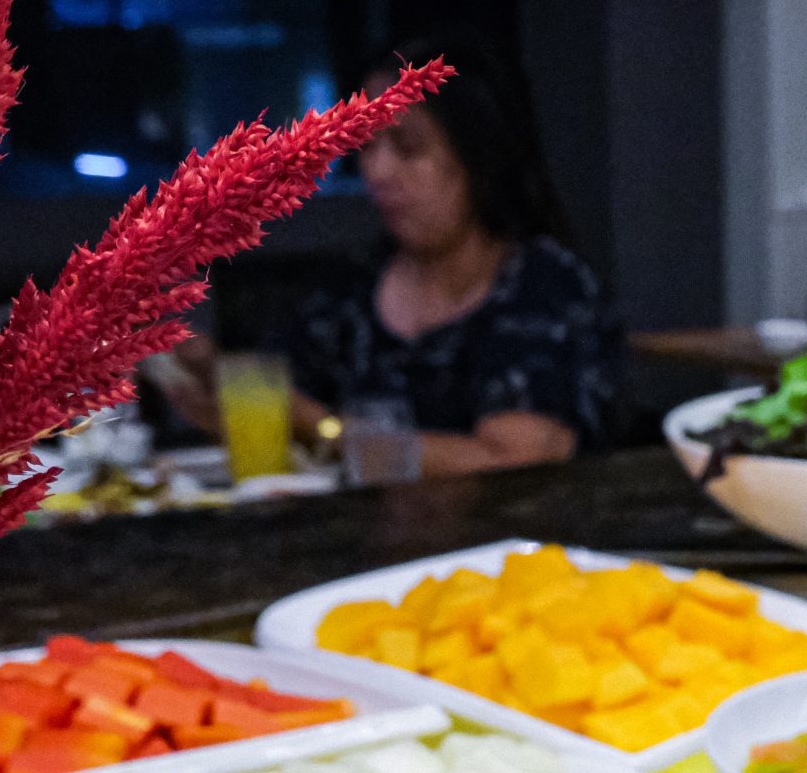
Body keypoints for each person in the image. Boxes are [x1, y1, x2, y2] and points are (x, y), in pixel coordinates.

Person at [168, 31, 618, 474]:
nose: (378, 171)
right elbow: (278, 410)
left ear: (480, 157)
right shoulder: (357, 286)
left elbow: (517, 463)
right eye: (367, 146)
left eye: (409, 147)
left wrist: (319, 426)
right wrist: (217, 386)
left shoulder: (542, 286)